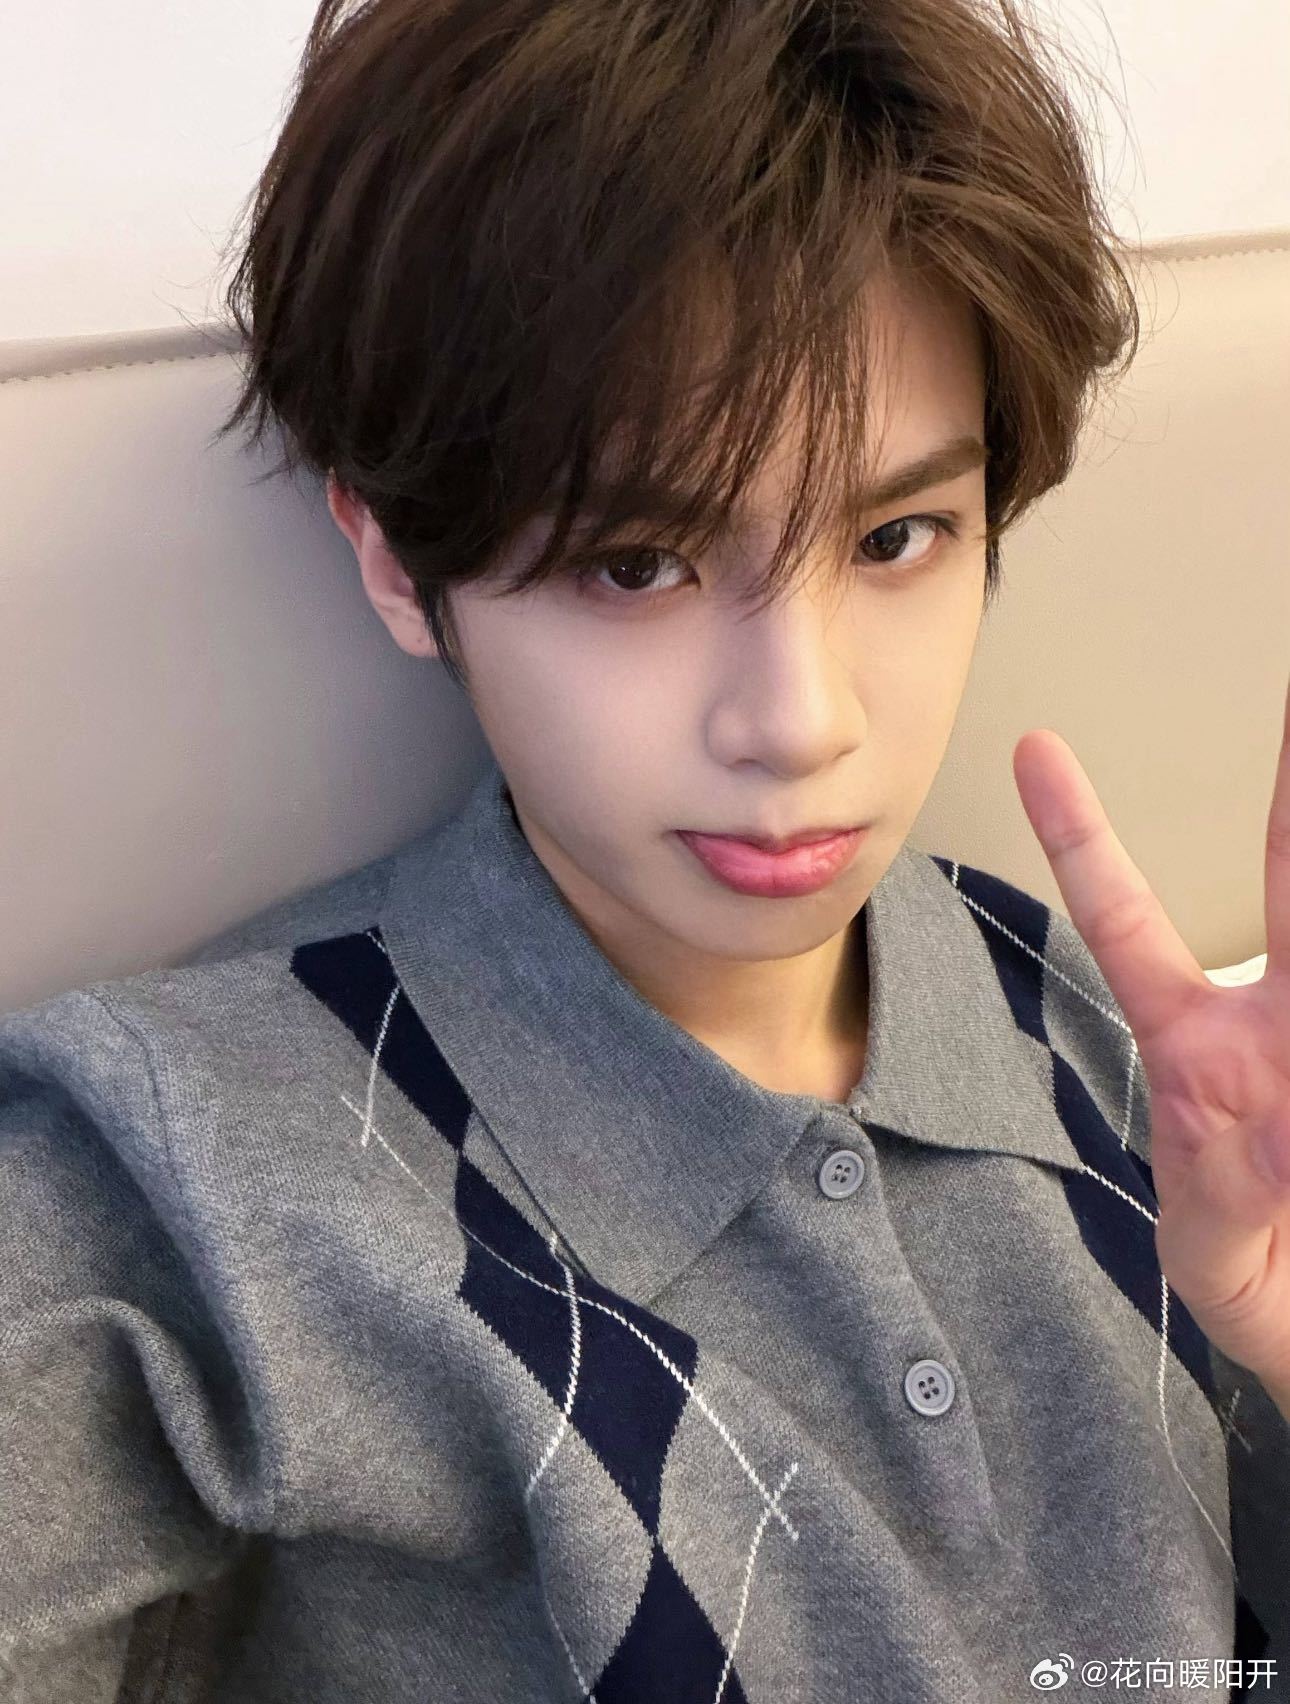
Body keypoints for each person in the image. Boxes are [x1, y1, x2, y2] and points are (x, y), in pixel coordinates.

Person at [2, 0, 1286, 1698]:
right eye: (634, 565)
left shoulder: (1099, 1026)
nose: (800, 721)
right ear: (395, 561)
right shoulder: (164, 1177)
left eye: (895, 536)